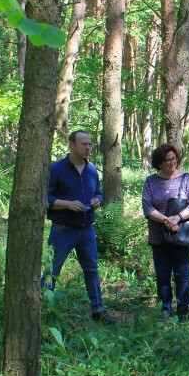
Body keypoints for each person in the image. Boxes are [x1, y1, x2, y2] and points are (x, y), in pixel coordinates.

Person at [45, 130, 114, 325]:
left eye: (90, 144)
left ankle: (98, 310)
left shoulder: (92, 170)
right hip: (62, 229)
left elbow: (99, 193)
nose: (88, 147)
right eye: (84, 144)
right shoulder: (56, 169)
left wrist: (97, 200)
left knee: (91, 270)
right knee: (52, 270)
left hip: (86, 230)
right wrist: (66, 204)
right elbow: (45, 197)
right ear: (72, 144)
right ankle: (43, 310)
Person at [142, 144, 189, 324]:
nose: (173, 162)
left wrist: (177, 218)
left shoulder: (187, 179)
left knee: (182, 275)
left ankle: (182, 313)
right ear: (159, 162)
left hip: (181, 235)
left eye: (174, 158)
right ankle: (165, 311)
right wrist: (165, 220)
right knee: (162, 274)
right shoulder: (151, 181)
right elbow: (147, 206)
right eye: (168, 160)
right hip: (159, 235)